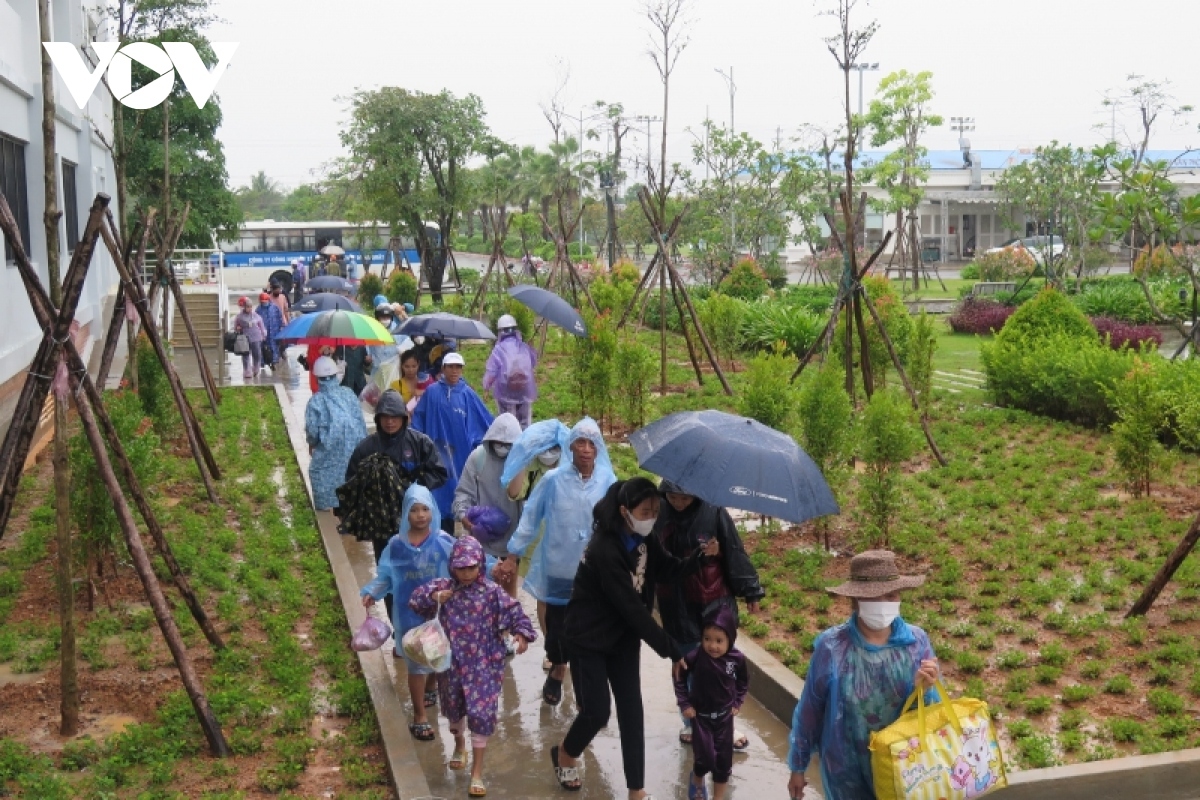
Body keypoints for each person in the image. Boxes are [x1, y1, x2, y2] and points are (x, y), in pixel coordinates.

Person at [551, 477, 718, 799]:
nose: (652, 517)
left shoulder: (645, 539)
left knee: (632, 711)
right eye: (645, 511)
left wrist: (701, 557)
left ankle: (636, 789)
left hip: (623, 638)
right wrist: (671, 649)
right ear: (625, 510)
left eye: (656, 510)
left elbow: (667, 568)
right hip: (588, 637)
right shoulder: (604, 549)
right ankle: (565, 753)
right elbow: (634, 610)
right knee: (597, 711)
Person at [787, 550, 940, 800]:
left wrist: (925, 689)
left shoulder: (916, 642)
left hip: (903, 767)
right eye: (874, 597)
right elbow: (811, 710)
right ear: (856, 600)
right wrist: (798, 765)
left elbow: (931, 714)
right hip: (846, 771)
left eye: (890, 595)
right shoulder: (832, 647)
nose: (883, 603)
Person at [409, 536, 537, 797]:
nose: (466, 573)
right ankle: (459, 744)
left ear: (480, 564)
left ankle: (477, 772)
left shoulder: (492, 593)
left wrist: (522, 634)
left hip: (484, 666)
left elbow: (516, 613)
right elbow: (416, 600)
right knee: (454, 710)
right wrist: (435, 597)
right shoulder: (445, 588)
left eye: (471, 567)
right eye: (460, 567)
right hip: (451, 665)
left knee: (481, 714)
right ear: (452, 566)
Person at [507, 417, 614, 705]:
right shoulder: (553, 481)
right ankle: (558, 665)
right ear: (571, 445)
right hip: (558, 565)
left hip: (594, 571)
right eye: (580, 442)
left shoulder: (608, 482)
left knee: (590, 627)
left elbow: (619, 523)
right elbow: (530, 517)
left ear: (599, 448)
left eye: (592, 443)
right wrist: (513, 552)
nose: (586, 449)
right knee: (558, 630)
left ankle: (585, 683)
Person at [654, 479, 764, 749]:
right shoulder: (657, 511)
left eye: (685, 497)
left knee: (718, 664)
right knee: (685, 663)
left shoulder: (713, 512)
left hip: (711, 599)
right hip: (675, 601)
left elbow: (735, 550)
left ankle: (724, 721)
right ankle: (691, 721)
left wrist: (750, 589)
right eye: (673, 496)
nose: (678, 502)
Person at [361, 484, 455, 742]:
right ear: (405, 513)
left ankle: (432, 686)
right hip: (408, 614)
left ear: (433, 510)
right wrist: (372, 592)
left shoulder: (443, 542)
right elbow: (386, 576)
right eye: (414, 510)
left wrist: (492, 569)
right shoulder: (396, 545)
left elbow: (466, 564)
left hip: (436, 613)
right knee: (416, 665)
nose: (421, 515)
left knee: (436, 656)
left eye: (425, 508)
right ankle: (419, 716)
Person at [345, 389, 448, 619]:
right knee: (391, 574)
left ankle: (427, 623)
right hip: (383, 527)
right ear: (378, 418)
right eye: (385, 417)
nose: (390, 422)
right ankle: (398, 627)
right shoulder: (366, 448)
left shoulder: (420, 443)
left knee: (422, 573)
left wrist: (414, 487)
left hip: (417, 524)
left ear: (404, 418)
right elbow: (351, 482)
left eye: (395, 416)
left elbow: (440, 472)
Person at [410, 352, 494, 534]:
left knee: (463, 491)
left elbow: (484, 422)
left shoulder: (467, 394)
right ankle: (442, 535)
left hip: (461, 455)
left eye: (458, 367)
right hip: (435, 453)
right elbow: (419, 418)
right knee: (438, 492)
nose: (454, 370)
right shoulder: (432, 392)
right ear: (443, 369)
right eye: (451, 367)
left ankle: (467, 540)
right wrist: (416, 444)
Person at [674, 606, 749, 800]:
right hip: (702, 718)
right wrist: (685, 704)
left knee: (723, 762)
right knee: (705, 759)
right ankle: (697, 778)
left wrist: (738, 701)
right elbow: (679, 675)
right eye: (707, 639)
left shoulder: (736, 659)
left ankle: (718, 797)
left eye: (719, 641)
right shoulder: (696, 656)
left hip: (724, 718)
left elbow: (743, 681)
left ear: (730, 639)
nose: (712, 646)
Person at [451, 413, 523, 597]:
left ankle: (507, 624)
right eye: (499, 442)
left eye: (508, 445)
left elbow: (529, 507)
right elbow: (463, 493)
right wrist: (464, 517)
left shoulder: (523, 463)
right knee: (479, 592)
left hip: (512, 541)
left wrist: (516, 552)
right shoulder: (477, 458)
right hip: (481, 540)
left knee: (507, 593)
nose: (502, 448)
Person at [304, 356, 368, 512]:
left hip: (330, 447)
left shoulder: (316, 401)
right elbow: (360, 419)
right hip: (356, 445)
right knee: (350, 475)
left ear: (317, 378)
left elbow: (312, 430)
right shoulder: (348, 393)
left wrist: (311, 444)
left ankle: (326, 506)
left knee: (318, 472)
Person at [482, 314, 538, 428]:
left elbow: (491, 371)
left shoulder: (498, 349)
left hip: (505, 390)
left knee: (508, 422)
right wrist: (531, 348)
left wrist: (486, 387)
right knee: (525, 422)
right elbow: (532, 362)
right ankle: (525, 441)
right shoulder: (524, 346)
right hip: (524, 388)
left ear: (500, 331)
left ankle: (510, 442)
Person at [234, 296, 268, 379]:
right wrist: (238, 328)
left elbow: (261, 325)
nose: (249, 309)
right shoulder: (239, 317)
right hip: (245, 337)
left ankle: (256, 368)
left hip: (256, 337)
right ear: (244, 307)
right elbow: (235, 326)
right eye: (247, 307)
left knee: (257, 354)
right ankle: (247, 371)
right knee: (245, 354)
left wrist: (264, 334)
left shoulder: (256, 315)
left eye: (250, 307)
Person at [256, 291, 285, 370]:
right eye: (262, 302)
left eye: (265, 302)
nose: (264, 303)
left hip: (274, 332)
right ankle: (263, 363)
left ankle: (274, 362)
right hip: (264, 334)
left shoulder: (274, 308)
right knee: (264, 349)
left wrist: (282, 327)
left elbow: (279, 318)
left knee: (274, 347)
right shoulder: (258, 310)